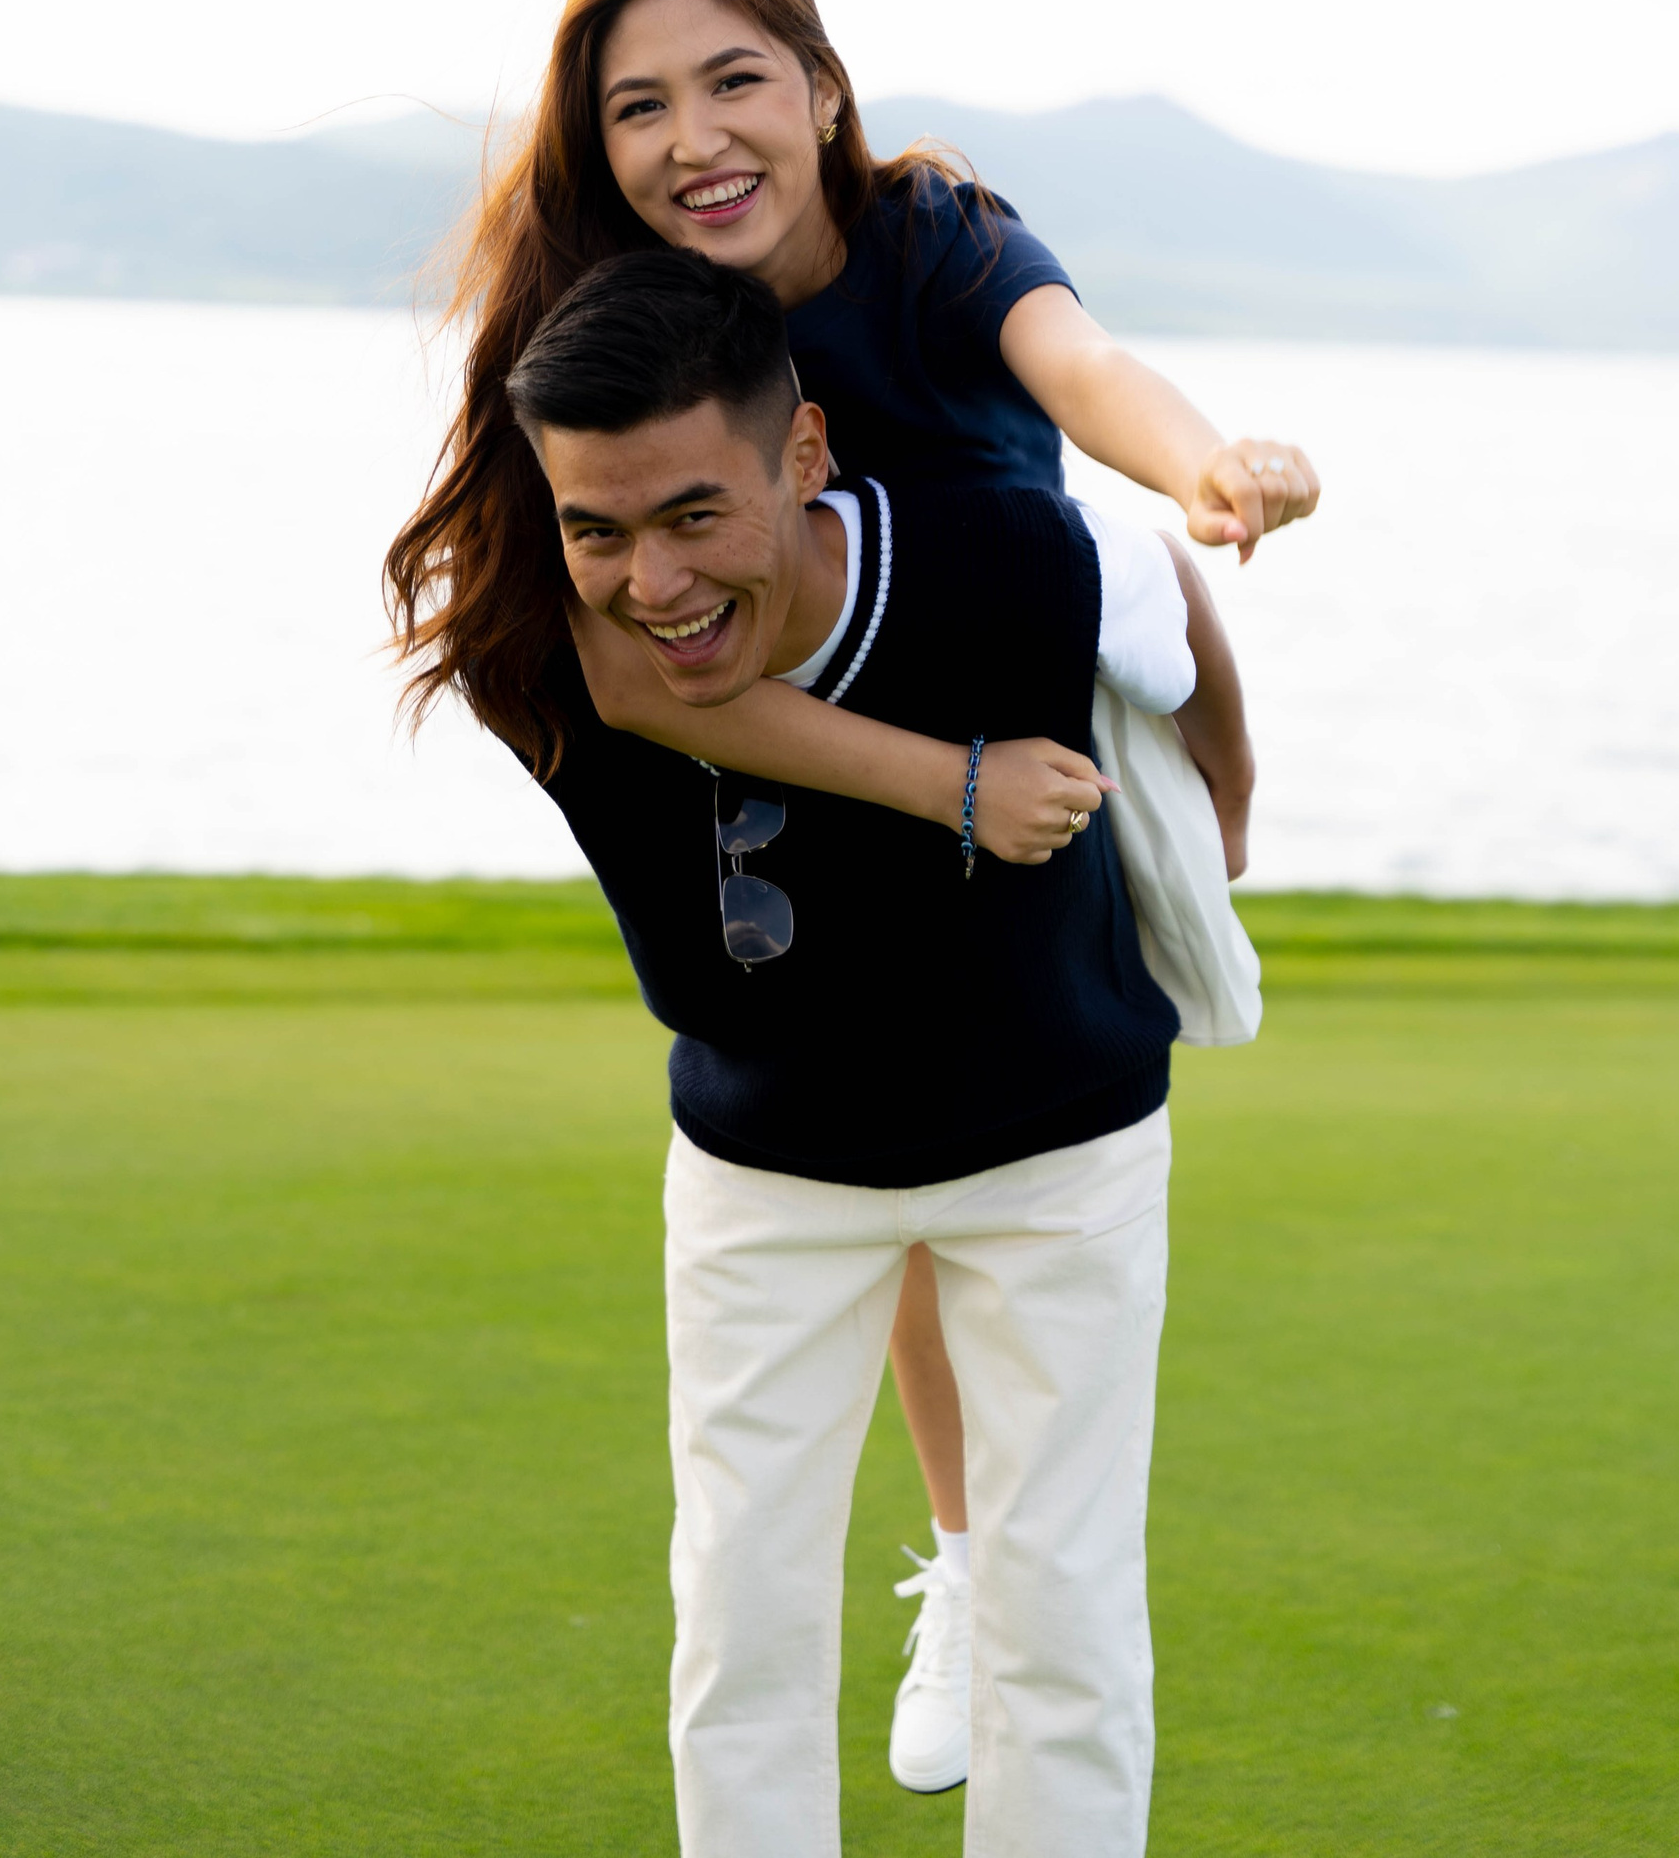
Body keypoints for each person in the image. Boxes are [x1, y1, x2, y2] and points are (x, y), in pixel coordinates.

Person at [386, 0, 1314, 1791]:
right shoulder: (611, 333)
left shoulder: (933, 238)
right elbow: (625, 669)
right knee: (864, 1138)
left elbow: (1088, 388)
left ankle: (979, 1563)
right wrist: (940, 781)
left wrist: (1209, 470)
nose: (692, 140)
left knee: (974, 1127)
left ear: (821, 86)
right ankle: (968, 1556)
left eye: (735, 80)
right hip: (815, 731)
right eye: (637, 106)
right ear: (593, 142)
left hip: (1014, 649)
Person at [497, 244, 1257, 1855]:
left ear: (806, 455)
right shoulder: (540, 654)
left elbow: (1169, 605)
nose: (653, 581)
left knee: (1063, 1620)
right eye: (599, 528)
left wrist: (1232, 802)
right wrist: (950, 783)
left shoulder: (1011, 552)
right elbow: (631, 650)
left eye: (695, 514)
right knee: (740, 1619)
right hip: (765, 1169)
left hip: (1062, 1150)